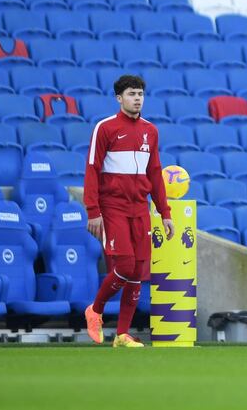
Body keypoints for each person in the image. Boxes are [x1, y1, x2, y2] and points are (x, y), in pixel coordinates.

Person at [84, 75, 174, 348]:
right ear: (119, 98)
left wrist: (165, 212)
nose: (137, 98)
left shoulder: (150, 131)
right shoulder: (105, 128)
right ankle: (95, 310)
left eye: (141, 94)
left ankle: (122, 334)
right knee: (123, 265)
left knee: (137, 272)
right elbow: (92, 169)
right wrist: (92, 210)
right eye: (132, 94)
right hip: (113, 207)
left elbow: (155, 174)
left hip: (140, 208)